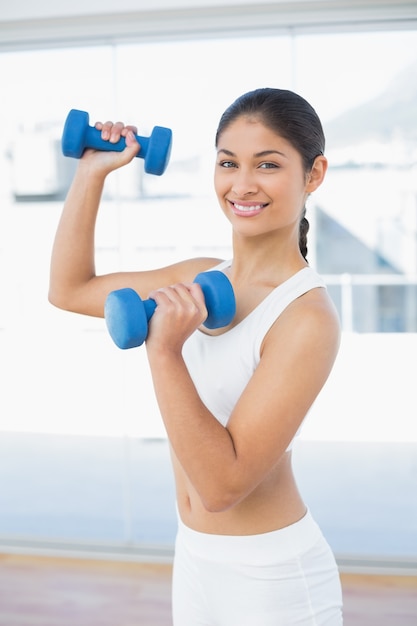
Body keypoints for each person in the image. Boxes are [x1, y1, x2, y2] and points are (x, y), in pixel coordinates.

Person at [49, 87, 343, 625]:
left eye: (268, 164)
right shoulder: (202, 276)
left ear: (313, 174)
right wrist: (92, 172)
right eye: (228, 163)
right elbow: (69, 289)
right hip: (194, 561)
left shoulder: (306, 317)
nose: (243, 184)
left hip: (272, 578)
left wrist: (165, 351)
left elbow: (222, 487)